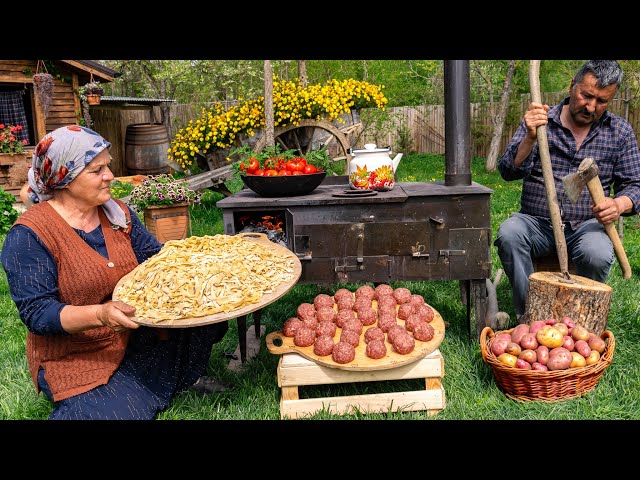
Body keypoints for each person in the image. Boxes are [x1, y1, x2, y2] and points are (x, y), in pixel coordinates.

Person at [0, 125, 229, 420]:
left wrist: (205, 267)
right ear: (65, 179)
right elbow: (39, 314)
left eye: (107, 166)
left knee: (207, 314)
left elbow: (155, 259)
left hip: (134, 337)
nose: (109, 175)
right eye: (97, 171)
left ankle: (165, 378)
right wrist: (101, 315)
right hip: (76, 356)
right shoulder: (30, 235)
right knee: (117, 411)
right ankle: (135, 388)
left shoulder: (117, 214)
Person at [494, 60, 640, 323]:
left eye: (602, 101)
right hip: (537, 222)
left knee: (597, 253)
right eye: (586, 95)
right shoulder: (541, 121)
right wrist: (529, 136)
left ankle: (579, 319)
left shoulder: (619, 132)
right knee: (509, 234)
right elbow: (507, 170)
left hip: (586, 225)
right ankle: (529, 317)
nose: (591, 106)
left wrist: (618, 204)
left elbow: (635, 186)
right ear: (572, 86)